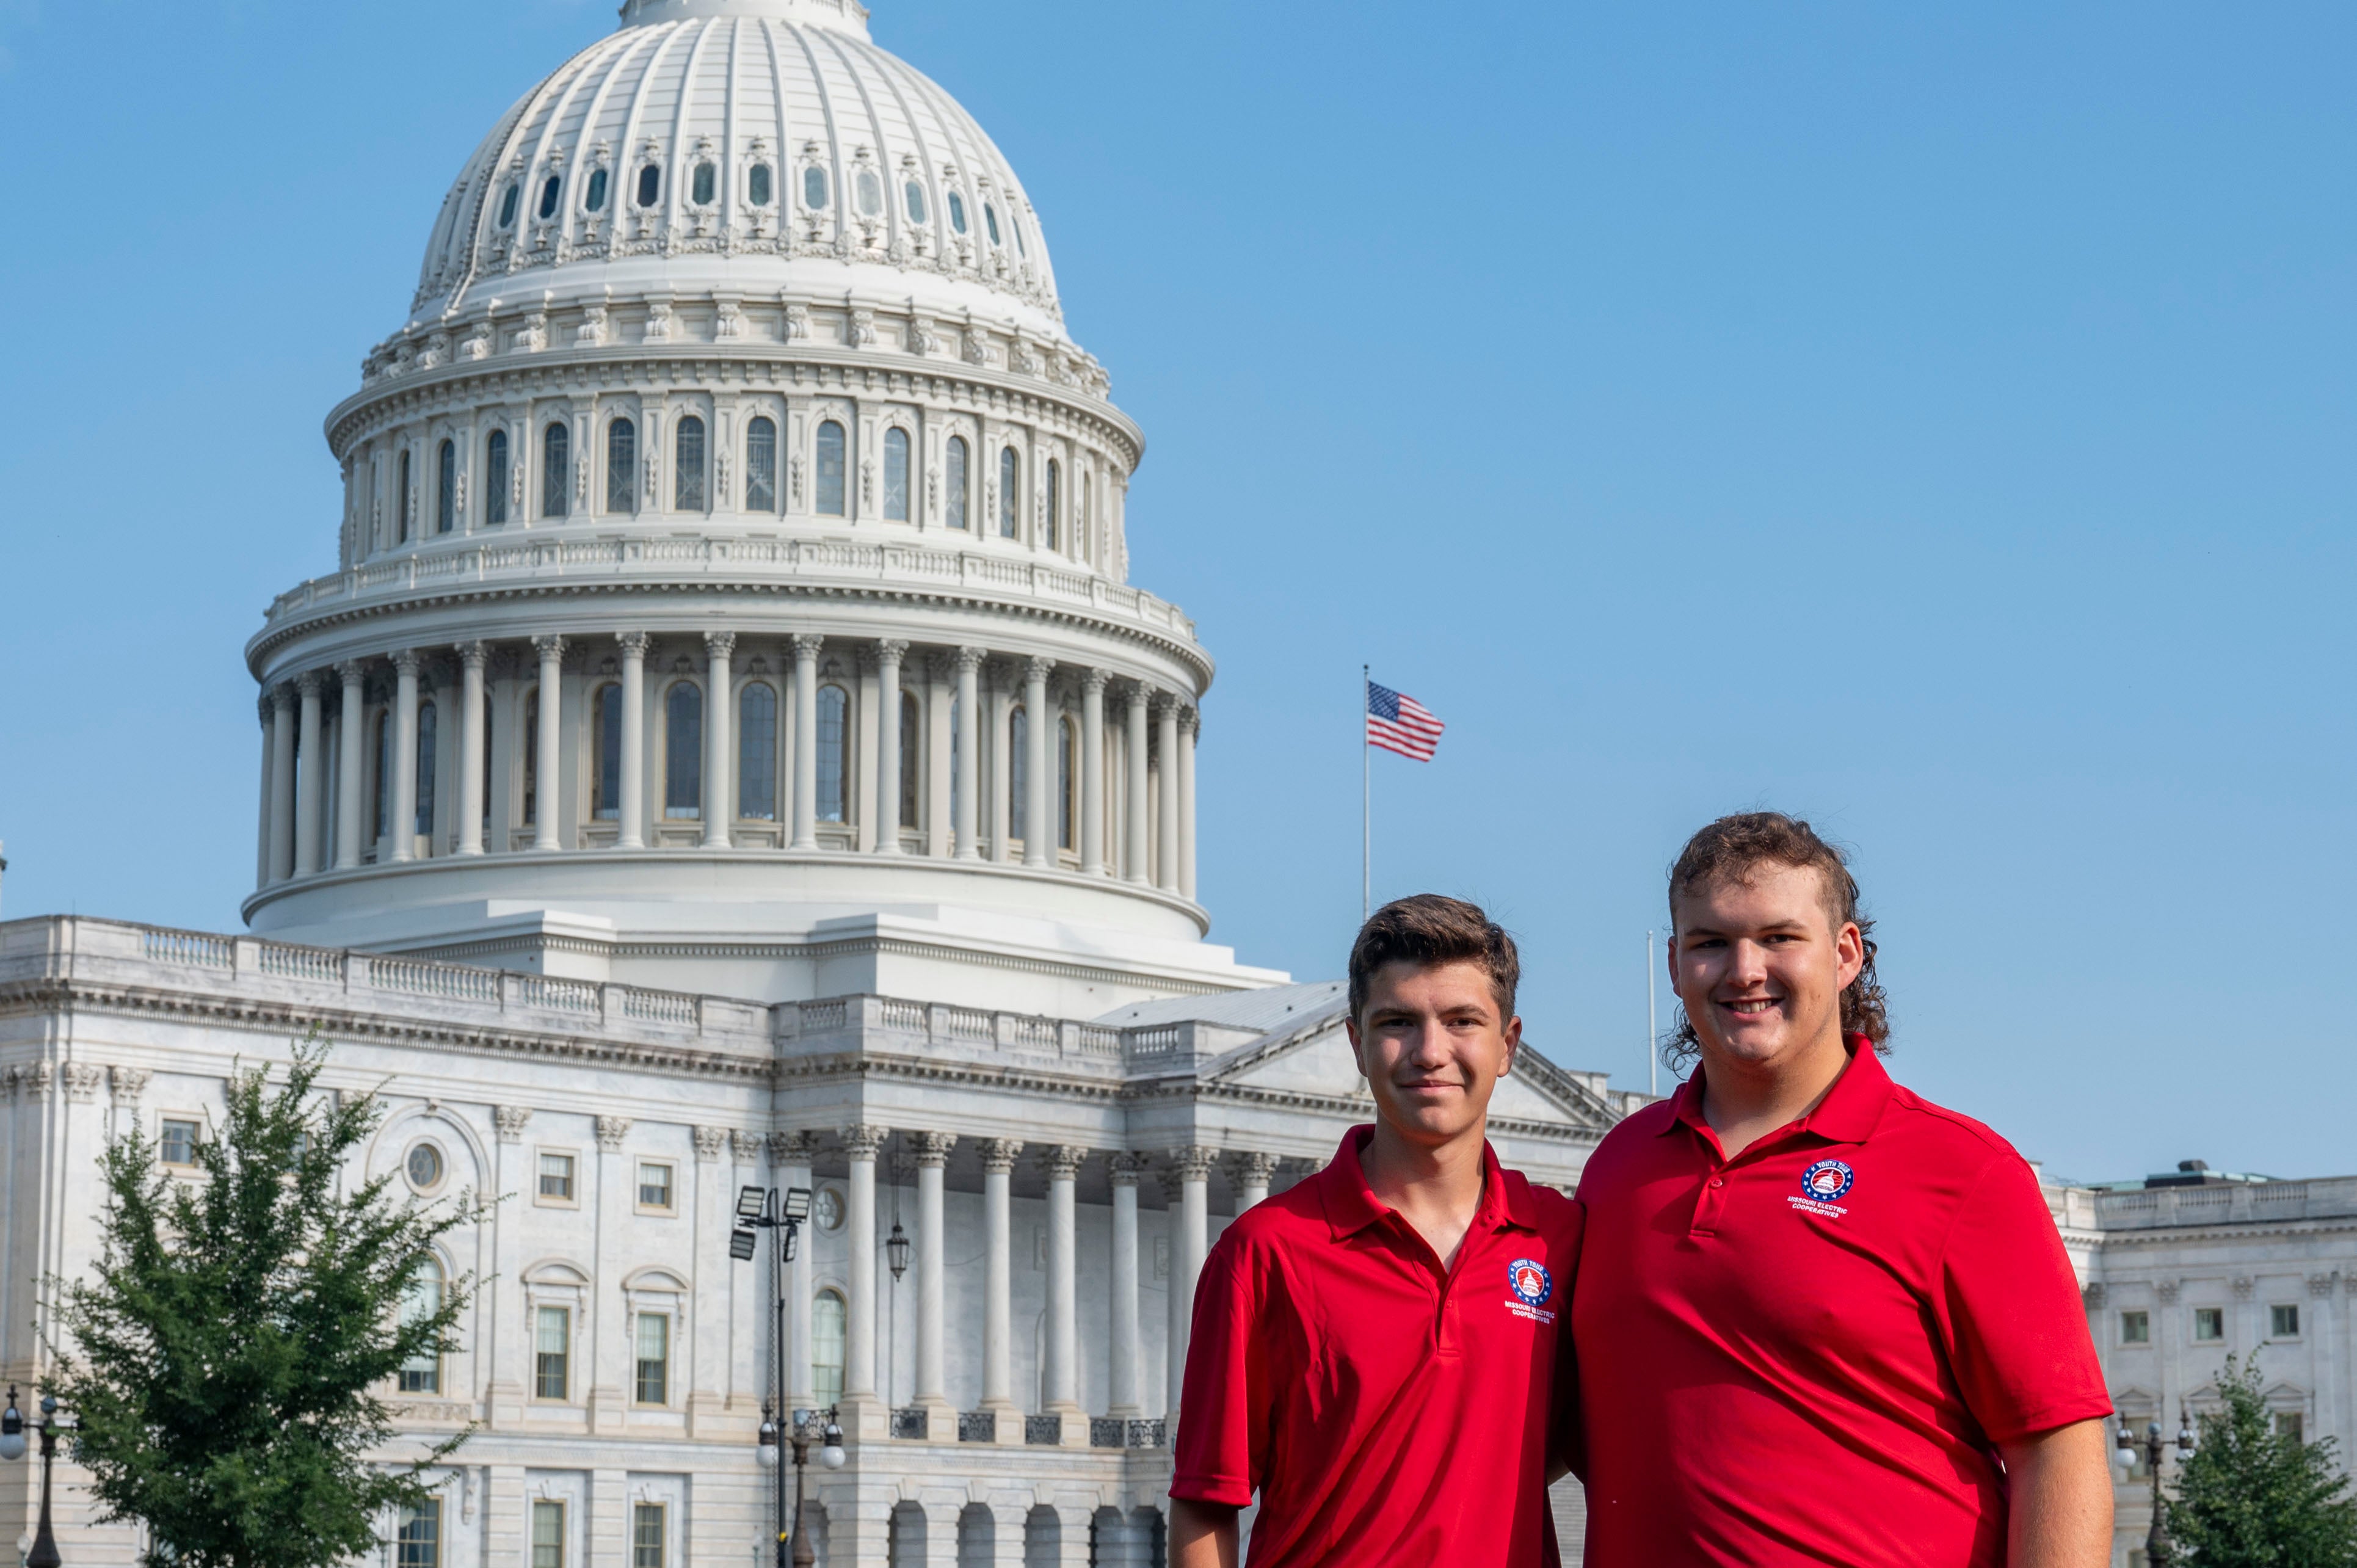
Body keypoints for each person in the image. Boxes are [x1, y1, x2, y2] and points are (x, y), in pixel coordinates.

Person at [1574, 812, 2115, 1566]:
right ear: (1672, 964)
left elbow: (2055, 1450)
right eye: (1709, 943)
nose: (1743, 970)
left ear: (1844, 953)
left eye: (1777, 938)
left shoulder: (1960, 1170)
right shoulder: (1618, 1167)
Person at [1169, 895, 1584, 1567]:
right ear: (1357, 1044)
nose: (1429, 1051)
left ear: (1506, 1045)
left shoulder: (1559, 1237)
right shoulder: (1266, 1250)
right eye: (1397, 1022)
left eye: (1461, 1021)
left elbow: (1576, 1432)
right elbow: (1204, 1496)